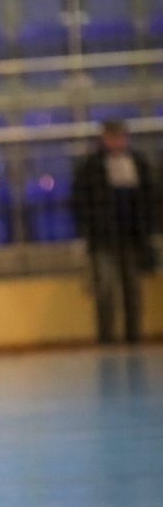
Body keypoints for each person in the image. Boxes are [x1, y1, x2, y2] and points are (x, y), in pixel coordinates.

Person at [71, 120, 156, 344]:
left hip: (132, 236)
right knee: (105, 289)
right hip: (103, 237)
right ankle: (106, 337)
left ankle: (133, 336)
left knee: (132, 288)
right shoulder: (91, 166)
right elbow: (80, 201)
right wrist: (88, 230)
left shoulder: (137, 162)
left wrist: (146, 231)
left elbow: (149, 199)